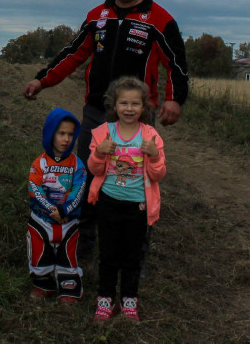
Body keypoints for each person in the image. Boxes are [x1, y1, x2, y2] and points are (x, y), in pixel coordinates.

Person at [23, 0, 187, 254]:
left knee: (133, 178)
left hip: (137, 116)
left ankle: (135, 244)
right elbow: (73, 53)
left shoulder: (160, 20)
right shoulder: (98, 15)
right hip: (96, 112)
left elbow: (176, 63)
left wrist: (174, 99)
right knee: (87, 172)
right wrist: (41, 80)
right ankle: (84, 239)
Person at [87, 77, 166, 323]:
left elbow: (158, 174)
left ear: (144, 107)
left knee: (132, 256)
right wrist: (99, 154)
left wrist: (153, 157)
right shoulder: (103, 133)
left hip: (138, 206)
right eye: (123, 103)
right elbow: (94, 170)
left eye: (135, 104)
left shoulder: (151, 136)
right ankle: (105, 299)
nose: (129, 109)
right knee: (109, 254)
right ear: (114, 105)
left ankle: (129, 301)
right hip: (109, 202)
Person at [27, 107, 86, 302]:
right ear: (50, 133)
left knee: (67, 253)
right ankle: (42, 283)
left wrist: (64, 209)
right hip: (43, 218)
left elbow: (79, 190)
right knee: (40, 250)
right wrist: (51, 209)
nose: (66, 139)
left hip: (68, 219)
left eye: (70, 134)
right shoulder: (40, 163)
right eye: (61, 133)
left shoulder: (77, 164)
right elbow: (35, 188)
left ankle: (69, 286)